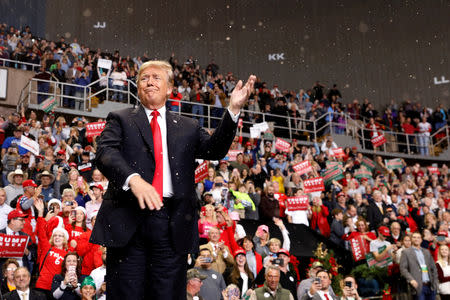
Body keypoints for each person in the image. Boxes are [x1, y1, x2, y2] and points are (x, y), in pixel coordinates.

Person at [90, 59, 256, 300]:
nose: (149, 81)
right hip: (128, 222)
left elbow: (214, 150)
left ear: (169, 88)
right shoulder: (120, 118)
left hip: (172, 225)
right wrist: (133, 180)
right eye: (144, 78)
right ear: (138, 88)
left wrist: (232, 110)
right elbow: (105, 153)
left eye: (156, 77)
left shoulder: (187, 126)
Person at [400, 231, 439, 300]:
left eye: (418, 237)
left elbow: (434, 268)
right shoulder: (406, 252)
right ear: (411, 239)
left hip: (431, 286)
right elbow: (403, 269)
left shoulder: (426, 251)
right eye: (414, 237)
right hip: (418, 286)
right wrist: (411, 279)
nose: (416, 239)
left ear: (421, 240)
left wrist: (435, 282)